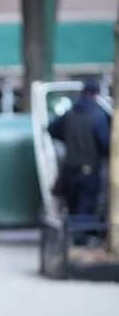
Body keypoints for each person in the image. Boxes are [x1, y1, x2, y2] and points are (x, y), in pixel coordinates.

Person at [48, 80, 110, 220]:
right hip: (89, 171)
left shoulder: (69, 114)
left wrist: (66, 139)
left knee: (72, 209)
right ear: (96, 95)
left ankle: (73, 238)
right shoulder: (98, 116)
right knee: (86, 209)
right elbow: (105, 143)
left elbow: (52, 129)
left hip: (69, 170)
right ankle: (80, 240)